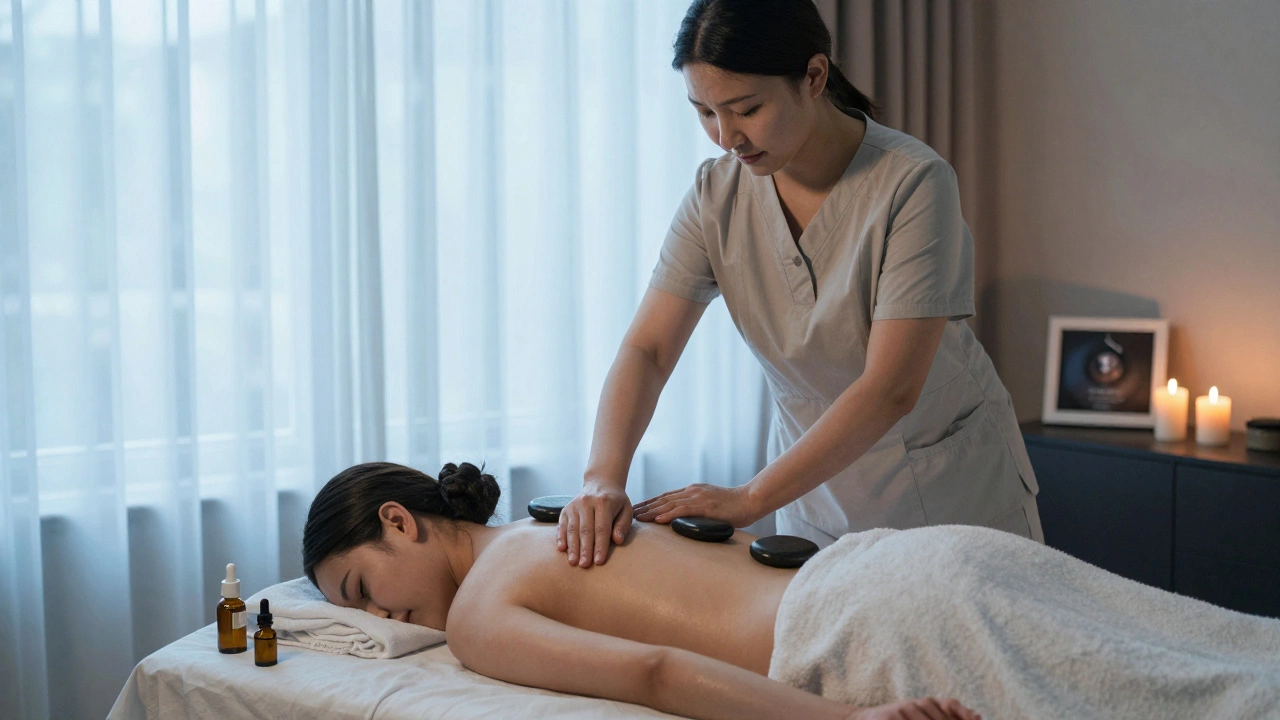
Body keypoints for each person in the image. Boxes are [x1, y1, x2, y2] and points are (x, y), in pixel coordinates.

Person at [557, 0, 1042, 569]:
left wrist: (750, 498)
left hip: (948, 498)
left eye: (746, 109)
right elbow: (649, 348)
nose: (726, 137)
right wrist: (601, 478)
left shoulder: (913, 184)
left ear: (813, 76)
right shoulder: (717, 197)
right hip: (811, 496)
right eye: (705, 112)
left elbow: (890, 387)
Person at [303, 462, 1280, 720]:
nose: (383, 618)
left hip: (861, 618)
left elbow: (650, 672)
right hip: (911, 555)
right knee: (1210, 660)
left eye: (361, 590)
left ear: (398, 520)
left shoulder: (478, 617)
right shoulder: (556, 519)